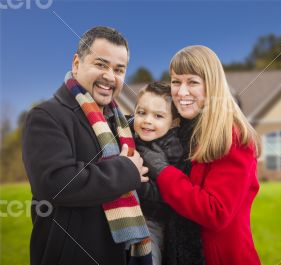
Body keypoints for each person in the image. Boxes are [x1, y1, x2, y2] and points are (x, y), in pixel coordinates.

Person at [22, 26, 150, 265]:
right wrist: (126, 170)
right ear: (77, 63)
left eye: (119, 69)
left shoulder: (121, 124)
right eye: (101, 65)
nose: (110, 77)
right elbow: (55, 183)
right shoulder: (46, 116)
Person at [139, 45, 262, 265]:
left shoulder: (233, 137)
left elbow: (215, 212)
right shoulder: (183, 130)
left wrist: (162, 170)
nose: (181, 91)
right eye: (176, 82)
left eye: (192, 82)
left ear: (211, 85)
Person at [132, 81, 181, 265]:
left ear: (174, 122)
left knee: (148, 258)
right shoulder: (130, 137)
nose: (147, 120)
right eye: (141, 113)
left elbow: (166, 194)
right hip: (129, 215)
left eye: (158, 116)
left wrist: (135, 182)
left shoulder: (173, 148)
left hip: (153, 219)